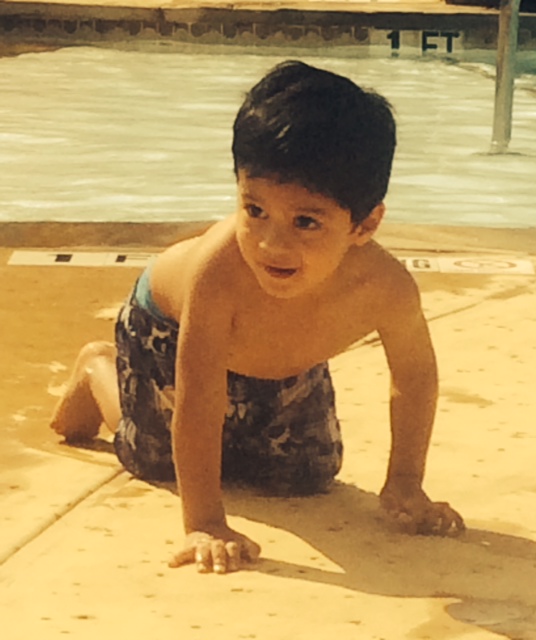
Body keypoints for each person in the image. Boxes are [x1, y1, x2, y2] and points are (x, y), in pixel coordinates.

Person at [50, 60, 464, 575]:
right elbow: (199, 397)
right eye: (255, 210)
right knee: (154, 457)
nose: (271, 244)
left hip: (280, 355)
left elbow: (415, 375)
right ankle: (98, 371)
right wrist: (205, 521)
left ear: (365, 224)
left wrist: (405, 481)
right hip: (169, 329)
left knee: (306, 474)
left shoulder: (386, 287)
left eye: (305, 221)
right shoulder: (217, 272)